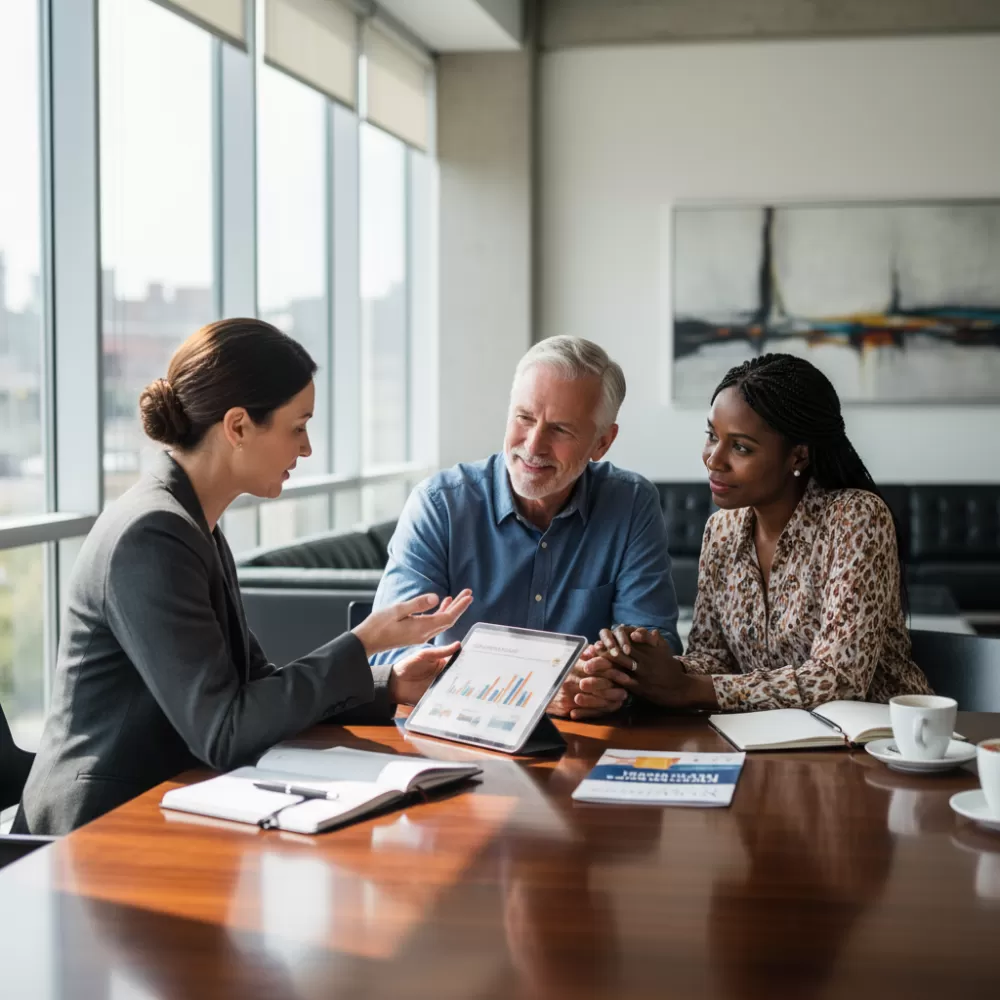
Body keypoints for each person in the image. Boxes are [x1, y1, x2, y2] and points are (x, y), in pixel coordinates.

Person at [14, 319, 472, 835]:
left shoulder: (193, 524)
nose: (307, 449)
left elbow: (254, 688)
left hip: (166, 799)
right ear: (237, 427)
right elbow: (224, 730)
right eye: (297, 427)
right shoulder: (153, 533)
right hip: (94, 830)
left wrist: (390, 683)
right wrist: (363, 642)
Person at [573, 353, 932, 713]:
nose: (714, 459)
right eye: (712, 436)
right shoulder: (721, 530)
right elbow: (712, 658)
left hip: (878, 735)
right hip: (764, 735)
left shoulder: (854, 517)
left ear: (798, 456)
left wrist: (687, 688)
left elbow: (839, 679)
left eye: (741, 447)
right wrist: (641, 666)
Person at [368, 336, 681, 720]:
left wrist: (605, 684)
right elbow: (389, 656)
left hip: (588, 733)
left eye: (560, 430)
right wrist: (536, 689)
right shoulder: (440, 505)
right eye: (525, 418)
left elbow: (656, 646)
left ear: (602, 443)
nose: (534, 445)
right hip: (458, 730)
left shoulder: (631, 504)